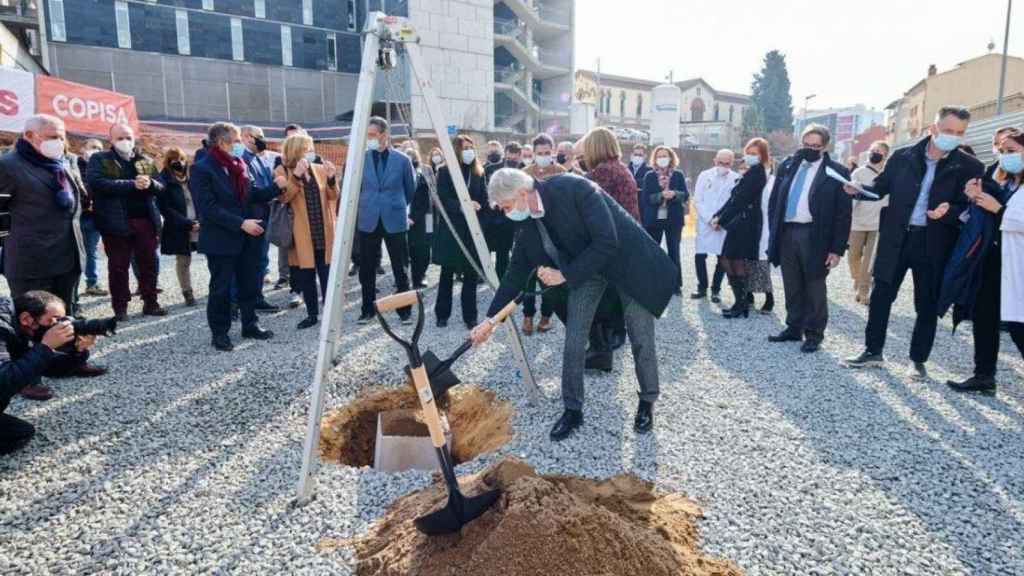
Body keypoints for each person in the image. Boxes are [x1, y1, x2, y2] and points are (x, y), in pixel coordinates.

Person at [470, 169, 677, 441]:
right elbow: (515, 273)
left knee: (641, 336)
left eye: (507, 207)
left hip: (627, 264)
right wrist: (490, 321)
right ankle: (572, 409)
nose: (506, 213)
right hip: (587, 270)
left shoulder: (574, 188)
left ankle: (647, 401)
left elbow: (607, 241)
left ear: (521, 194)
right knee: (574, 338)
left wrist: (564, 275)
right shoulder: (528, 221)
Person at [845, 107, 984, 377]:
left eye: (960, 133)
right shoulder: (902, 156)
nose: (954, 137)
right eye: (948, 131)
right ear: (933, 129)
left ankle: (918, 361)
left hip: (934, 242)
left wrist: (950, 211)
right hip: (896, 238)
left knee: (927, 304)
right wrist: (858, 191)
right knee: (881, 296)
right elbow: (880, 188)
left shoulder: (970, 166)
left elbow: (970, 207)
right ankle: (873, 351)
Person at [945, 129, 1024, 394]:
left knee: (1017, 324)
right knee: (984, 316)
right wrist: (975, 199)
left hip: (1018, 263)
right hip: (991, 258)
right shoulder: (999, 180)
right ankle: (983, 375)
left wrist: (997, 209)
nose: (1005, 157)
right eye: (1002, 151)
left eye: (1011, 150)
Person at [190, 122, 277, 351]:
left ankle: (250, 324)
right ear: (221, 142)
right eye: (237, 140)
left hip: (247, 237)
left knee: (249, 283)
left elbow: (250, 195)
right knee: (221, 288)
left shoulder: (239, 165)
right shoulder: (202, 168)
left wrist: (277, 188)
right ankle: (220, 333)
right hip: (221, 239)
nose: (241, 145)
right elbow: (208, 208)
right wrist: (241, 224)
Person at [765, 125, 852, 352]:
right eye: (806, 145)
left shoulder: (837, 172)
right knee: (791, 283)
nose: (810, 149)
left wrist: (837, 249)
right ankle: (793, 327)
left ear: (825, 147)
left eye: (816, 146)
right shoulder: (787, 166)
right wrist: (774, 231)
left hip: (815, 235)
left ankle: (814, 334)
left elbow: (844, 215)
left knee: (814, 286)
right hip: (787, 232)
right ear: (800, 143)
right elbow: (775, 201)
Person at [0, 115, 86, 324]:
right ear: (29, 135)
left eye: (62, 137)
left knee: (66, 317)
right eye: (52, 136)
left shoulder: (63, 162)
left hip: (68, 256)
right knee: (34, 324)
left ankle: (66, 355)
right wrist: (7, 245)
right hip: (31, 263)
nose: (59, 142)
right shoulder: (8, 166)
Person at [87, 123, 166, 321]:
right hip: (114, 222)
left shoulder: (145, 160)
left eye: (128, 137)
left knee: (149, 264)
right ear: (111, 140)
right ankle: (120, 308)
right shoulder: (100, 159)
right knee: (118, 267)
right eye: (120, 137)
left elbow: (161, 186)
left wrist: (150, 183)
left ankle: (151, 302)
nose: (125, 141)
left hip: (145, 221)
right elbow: (96, 183)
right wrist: (132, 184)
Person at [1, 291, 98, 451]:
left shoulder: (18, 326)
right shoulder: (2, 327)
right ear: (26, 318)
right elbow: (4, 381)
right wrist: (45, 346)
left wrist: (78, 351)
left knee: (20, 432)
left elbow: (50, 367)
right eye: (53, 321)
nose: (58, 326)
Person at [580, 127, 640, 370]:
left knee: (610, 291)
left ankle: (612, 335)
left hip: (617, 238)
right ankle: (615, 333)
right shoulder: (617, 166)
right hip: (626, 236)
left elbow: (582, 190)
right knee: (615, 288)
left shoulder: (604, 170)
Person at [274, 133, 339, 330]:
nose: (311, 152)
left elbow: (333, 195)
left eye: (311, 148)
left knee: (327, 273)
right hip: (302, 233)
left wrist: (331, 178)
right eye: (307, 148)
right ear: (297, 150)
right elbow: (284, 198)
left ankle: (329, 315)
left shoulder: (319, 168)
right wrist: (295, 176)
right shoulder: (282, 170)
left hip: (323, 230)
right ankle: (312, 314)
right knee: (307, 275)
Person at [356, 116, 415, 324]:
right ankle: (368, 309)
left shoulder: (402, 160)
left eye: (372, 135)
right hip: (368, 219)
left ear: (384, 135)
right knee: (367, 268)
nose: (369, 139)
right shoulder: (359, 158)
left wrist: (395, 206)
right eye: (368, 135)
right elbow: (352, 189)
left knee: (400, 267)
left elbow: (410, 190)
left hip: (394, 219)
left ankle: (404, 310)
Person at [432, 135, 487, 329]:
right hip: (452, 230)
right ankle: (442, 314)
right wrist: (464, 205)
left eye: (471, 148)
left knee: (471, 275)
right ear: (456, 151)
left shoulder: (479, 172)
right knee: (447, 273)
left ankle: (470, 317)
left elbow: (484, 197)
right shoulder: (445, 172)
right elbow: (443, 200)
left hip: (473, 231)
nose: (469, 151)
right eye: (465, 148)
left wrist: (486, 205)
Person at [712, 139, 769, 318]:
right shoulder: (750, 172)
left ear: (762, 155)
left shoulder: (757, 173)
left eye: (755, 154)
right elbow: (733, 199)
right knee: (730, 259)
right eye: (748, 152)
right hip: (740, 222)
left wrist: (721, 219)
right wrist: (719, 215)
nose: (750, 156)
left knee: (734, 260)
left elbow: (740, 200)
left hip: (747, 223)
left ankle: (741, 303)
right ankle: (741, 302)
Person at [520, 133, 566, 334]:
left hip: (554, 234)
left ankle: (546, 316)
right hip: (529, 230)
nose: (544, 156)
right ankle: (528, 316)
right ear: (534, 153)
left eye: (547, 152)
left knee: (548, 277)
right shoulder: (524, 173)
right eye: (540, 153)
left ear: (553, 152)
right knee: (528, 278)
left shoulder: (561, 172)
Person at [239, 125, 280, 313]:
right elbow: (253, 193)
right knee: (249, 264)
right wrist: (277, 188)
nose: (262, 140)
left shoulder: (260, 160)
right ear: (247, 138)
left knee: (261, 262)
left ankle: (257, 298)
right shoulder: (243, 161)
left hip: (265, 217)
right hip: (252, 219)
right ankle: (239, 303)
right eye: (259, 136)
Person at [847, 141, 890, 304]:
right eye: (872, 150)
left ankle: (863, 291)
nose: (874, 153)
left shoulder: (888, 174)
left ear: (885, 155)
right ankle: (858, 279)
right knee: (853, 257)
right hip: (857, 221)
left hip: (877, 223)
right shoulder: (858, 172)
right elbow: (850, 194)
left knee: (869, 260)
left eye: (878, 151)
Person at [155, 147, 199, 306]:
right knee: (183, 260)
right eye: (174, 160)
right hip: (180, 226)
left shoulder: (194, 176)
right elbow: (165, 208)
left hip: (201, 223)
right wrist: (187, 224)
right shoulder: (163, 180)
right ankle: (187, 292)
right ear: (168, 162)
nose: (178, 162)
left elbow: (203, 198)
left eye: (181, 158)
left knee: (213, 255)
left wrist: (201, 221)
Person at [641, 146, 688, 294]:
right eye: (659, 156)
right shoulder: (649, 176)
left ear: (671, 157)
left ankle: (675, 285)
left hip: (673, 219)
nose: (662, 159)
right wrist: (661, 195)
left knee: (674, 251)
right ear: (655, 159)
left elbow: (685, 195)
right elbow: (645, 198)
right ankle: (653, 282)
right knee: (653, 251)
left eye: (665, 156)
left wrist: (674, 194)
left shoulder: (678, 175)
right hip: (654, 219)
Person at [692, 149, 736, 302]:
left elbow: (733, 204)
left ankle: (716, 289)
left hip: (723, 224)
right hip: (706, 222)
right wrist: (710, 219)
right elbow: (697, 200)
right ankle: (702, 287)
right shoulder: (704, 175)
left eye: (727, 163)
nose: (723, 165)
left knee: (722, 257)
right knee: (700, 255)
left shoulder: (736, 178)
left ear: (732, 162)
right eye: (720, 162)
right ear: (715, 161)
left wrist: (720, 220)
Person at [483, 141, 523, 279]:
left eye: (515, 157)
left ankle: (501, 281)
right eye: (509, 156)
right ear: (505, 154)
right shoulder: (491, 169)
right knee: (485, 250)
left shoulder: (524, 169)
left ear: (519, 156)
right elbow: (485, 191)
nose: (512, 159)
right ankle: (485, 276)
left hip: (511, 219)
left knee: (503, 254)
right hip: (491, 217)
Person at [77, 139, 108, 297]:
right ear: (83, 149)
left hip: (95, 217)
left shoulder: (103, 168)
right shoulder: (73, 165)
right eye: (93, 147)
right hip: (76, 217)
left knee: (91, 251)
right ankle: (72, 289)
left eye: (100, 148)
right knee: (74, 252)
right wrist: (84, 205)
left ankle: (92, 284)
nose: (97, 150)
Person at [751, 159, 776, 313]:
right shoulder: (747, 179)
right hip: (748, 225)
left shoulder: (774, 182)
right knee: (746, 262)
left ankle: (769, 298)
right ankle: (747, 295)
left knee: (762, 263)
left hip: (766, 225)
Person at [407, 149, 434, 289]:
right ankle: (413, 277)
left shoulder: (425, 170)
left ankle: (422, 274)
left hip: (426, 216)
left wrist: (413, 217)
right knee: (412, 248)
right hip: (408, 217)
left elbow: (427, 197)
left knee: (425, 245)